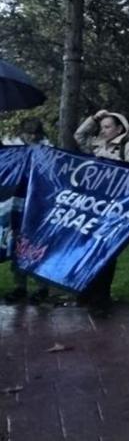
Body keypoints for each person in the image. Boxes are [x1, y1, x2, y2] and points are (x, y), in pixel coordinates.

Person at [74, 109, 129, 314]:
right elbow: (79, 136)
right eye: (101, 127)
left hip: (114, 206)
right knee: (88, 247)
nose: (103, 131)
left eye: (107, 126)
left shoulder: (127, 147)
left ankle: (102, 296)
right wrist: (93, 119)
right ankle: (87, 290)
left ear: (119, 128)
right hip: (93, 203)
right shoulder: (95, 144)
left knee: (106, 250)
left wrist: (109, 160)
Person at [2, 118, 51, 304]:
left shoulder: (46, 149)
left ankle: (41, 287)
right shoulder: (12, 148)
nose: (31, 137)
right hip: (15, 202)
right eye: (28, 133)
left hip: (37, 203)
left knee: (36, 244)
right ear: (21, 132)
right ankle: (19, 286)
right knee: (16, 243)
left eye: (34, 133)